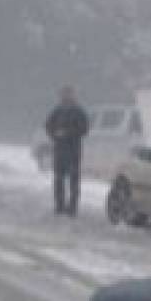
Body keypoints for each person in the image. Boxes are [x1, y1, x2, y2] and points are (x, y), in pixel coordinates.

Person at [44, 86, 89, 216]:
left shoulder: (79, 111)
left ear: (73, 95)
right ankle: (59, 205)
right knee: (58, 179)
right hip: (59, 150)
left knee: (74, 179)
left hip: (73, 150)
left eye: (68, 94)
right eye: (63, 94)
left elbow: (84, 129)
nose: (65, 97)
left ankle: (72, 207)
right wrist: (54, 134)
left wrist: (68, 133)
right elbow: (48, 125)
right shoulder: (57, 111)